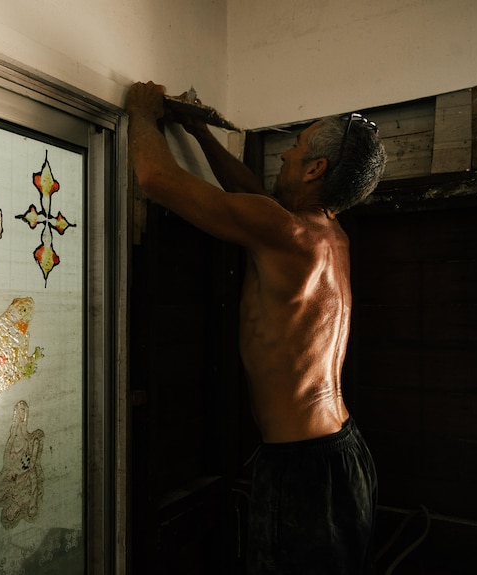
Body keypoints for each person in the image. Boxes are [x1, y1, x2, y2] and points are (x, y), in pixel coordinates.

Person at [125, 81, 387, 574]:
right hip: (344, 452)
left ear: (315, 169)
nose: (285, 155)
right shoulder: (330, 236)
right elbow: (251, 193)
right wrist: (201, 135)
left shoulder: (283, 230)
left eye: (297, 147)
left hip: (303, 467)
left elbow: (156, 179)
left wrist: (140, 113)